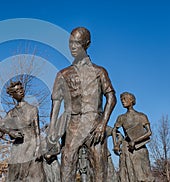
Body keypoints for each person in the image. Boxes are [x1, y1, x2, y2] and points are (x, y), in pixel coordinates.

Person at [46, 27, 117, 181]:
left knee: (99, 170)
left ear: (87, 44)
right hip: (73, 124)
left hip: (95, 125)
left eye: (77, 43)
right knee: (67, 166)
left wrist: (103, 124)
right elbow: (56, 102)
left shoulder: (99, 72)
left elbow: (111, 97)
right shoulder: (63, 74)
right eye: (70, 42)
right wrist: (52, 129)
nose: (72, 46)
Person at [0, 81, 46, 181]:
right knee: (14, 176)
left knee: (36, 177)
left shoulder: (32, 109)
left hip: (31, 146)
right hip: (18, 148)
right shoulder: (11, 113)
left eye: (21, 89)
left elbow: (37, 131)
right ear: (12, 95)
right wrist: (11, 132)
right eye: (17, 90)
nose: (20, 92)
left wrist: (38, 148)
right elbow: (0, 125)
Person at [112, 92, 154, 182]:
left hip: (139, 149)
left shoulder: (141, 116)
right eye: (121, 100)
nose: (123, 101)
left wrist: (135, 141)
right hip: (127, 149)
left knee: (143, 175)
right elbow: (114, 130)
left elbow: (149, 132)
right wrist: (116, 145)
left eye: (125, 99)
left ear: (131, 100)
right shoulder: (121, 117)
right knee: (128, 174)